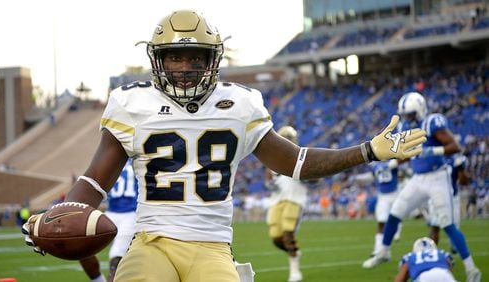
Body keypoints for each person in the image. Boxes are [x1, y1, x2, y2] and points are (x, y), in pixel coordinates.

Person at [22, 10, 426, 282]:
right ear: (158, 61)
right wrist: (58, 215)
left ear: (212, 59)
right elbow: (95, 181)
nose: (183, 67)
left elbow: (295, 162)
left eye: (193, 56)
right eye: (174, 57)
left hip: (212, 246)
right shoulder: (131, 102)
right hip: (151, 240)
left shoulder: (241, 104)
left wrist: (367, 151)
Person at [362, 92, 481, 282]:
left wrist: (433, 150)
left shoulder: (432, 122)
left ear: (420, 110)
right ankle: (383, 252)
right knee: (395, 213)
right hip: (418, 178)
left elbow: (455, 146)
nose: (407, 118)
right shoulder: (405, 127)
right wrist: (391, 164)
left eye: (410, 114)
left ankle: (471, 269)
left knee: (448, 225)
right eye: (405, 114)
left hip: (438, 177)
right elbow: (407, 154)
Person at [79, 159, 138, 282]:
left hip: (131, 213)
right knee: (80, 243)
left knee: (116, 258)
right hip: (111, 212)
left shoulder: (134, 159)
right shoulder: (115, 159)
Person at [264, 126, 308, 282]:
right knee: (276, 237)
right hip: (276, 199)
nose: (287, 141)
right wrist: (271, 184)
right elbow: (268, 180)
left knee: (288, 231)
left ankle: (294, 271)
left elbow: (316, 176)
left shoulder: (302, 155)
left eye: (289, 138)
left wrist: (308, 176)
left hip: (295, 197)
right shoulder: (271, 158)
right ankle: (294, 252)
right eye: (285, 138)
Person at [353, 159, 403, 258]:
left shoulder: (393, 161)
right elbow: (372, 176)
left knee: (396, 216)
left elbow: (402, 161)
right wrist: (359, 179)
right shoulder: (376, 165)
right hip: (383, 196)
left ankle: (397, 230)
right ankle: (378, 250)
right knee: (381, 222)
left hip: (394, 194)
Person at [426, 153, 470, 252]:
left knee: (453, 229)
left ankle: (455, 245)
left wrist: (460, 168)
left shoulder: (456, 158)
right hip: (436, 196)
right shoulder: (433, 156)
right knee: (435, 226)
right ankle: (430, 254)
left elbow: (464, 182)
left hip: (452, 198)